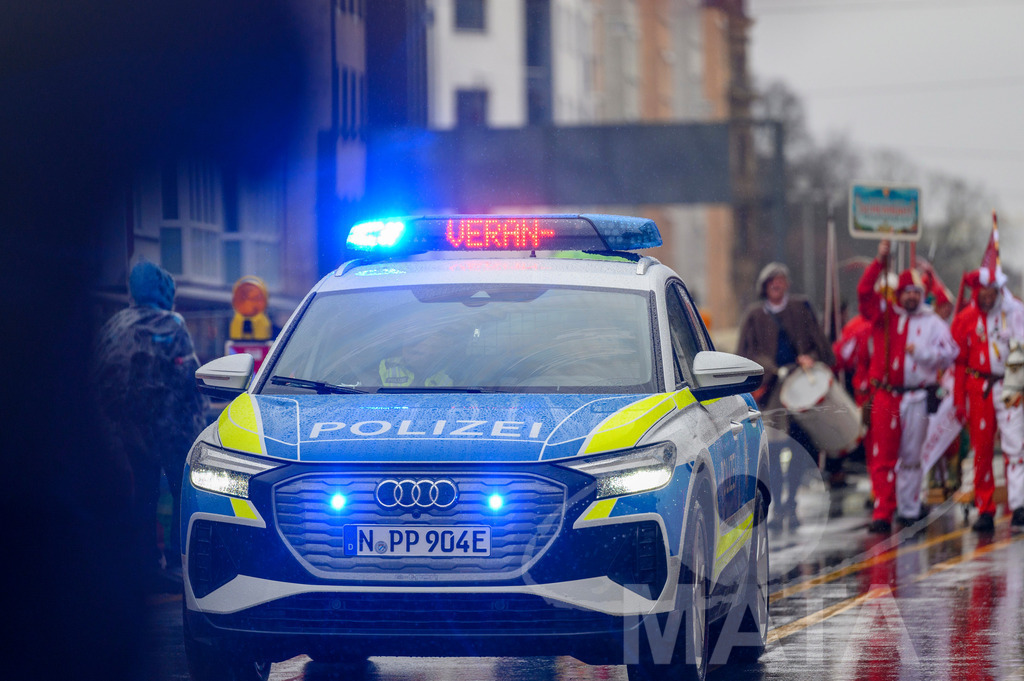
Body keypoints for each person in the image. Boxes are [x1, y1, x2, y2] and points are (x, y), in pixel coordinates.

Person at [92, 261, 208, 589]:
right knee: (182, 491)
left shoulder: (115, 324)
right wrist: (197, 422)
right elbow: (187, 379)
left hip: (122, 428)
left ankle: (144, 564)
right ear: (163, 291)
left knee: (143, 496)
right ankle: (178, 560)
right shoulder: (171, 324)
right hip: (166, 426)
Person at [858, 240, 958, 533]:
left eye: (916, 292)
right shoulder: (885, 315)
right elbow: (864, 293)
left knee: (912, 456)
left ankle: (909, 508)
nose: (911, 296)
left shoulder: (932, 323)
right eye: (907, 292)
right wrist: (880, 261)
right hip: (887, 396)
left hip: (917, 397)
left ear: (922, 295)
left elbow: (951, 352)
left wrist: (926, 355)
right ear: (899, 294)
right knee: (884, 457)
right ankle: (882, 511)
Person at [737, 262, 835, 530]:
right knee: (774, 450)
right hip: (770, 393)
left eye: (780, 280)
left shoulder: (800, 308)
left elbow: (821, 347)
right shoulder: (754, 316)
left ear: (787, 284)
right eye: (772, 281)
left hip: (802, 386)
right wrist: (769, 368)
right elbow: (745, 353)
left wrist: (809, 358)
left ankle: (791, 503)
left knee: (801, 447)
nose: (777, 284)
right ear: (764, 287)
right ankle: (778, 506)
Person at [950, 233, 1024, 532]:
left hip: (1009, 385)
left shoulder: (1013, 313)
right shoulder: (965, 320)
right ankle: (985, 508)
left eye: (992, 292)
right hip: (978, 388)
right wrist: (958, 400)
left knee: (1015, 446)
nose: (988, 297)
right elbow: (958, 363)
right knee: (981, 451)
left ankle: (1019, 505)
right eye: (983, 292)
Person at [379, 332, 455, 387]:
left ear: (434, 351)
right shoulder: (386, 365)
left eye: (417, 352)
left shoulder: (452, 372)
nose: (409, 356)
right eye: (406, 349)